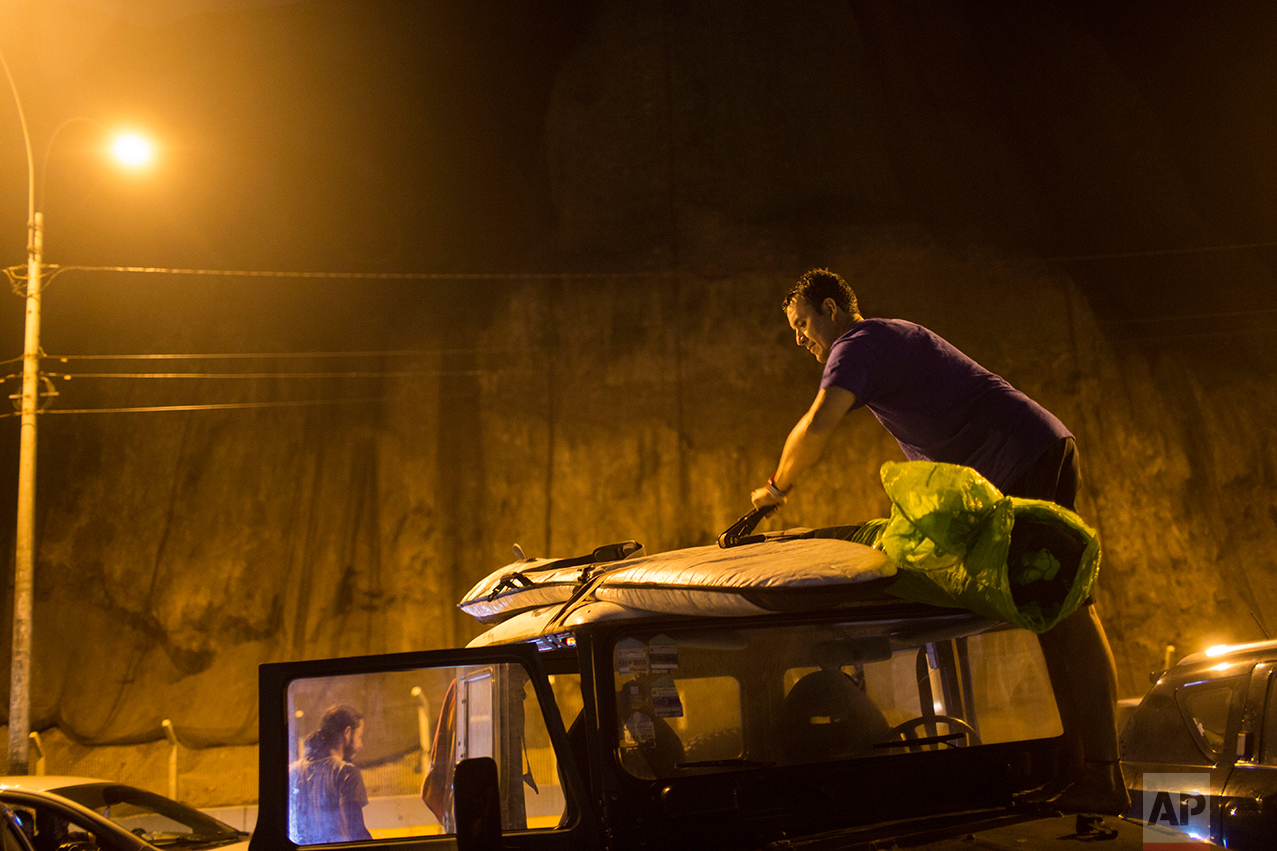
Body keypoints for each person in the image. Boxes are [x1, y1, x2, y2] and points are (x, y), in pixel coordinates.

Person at [751, 267, 1129, 815]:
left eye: (802, 322)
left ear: (831, 308)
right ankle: (1078, 771)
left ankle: (1101, 775)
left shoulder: (857, 342)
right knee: (1048, 621)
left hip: (1019, 456)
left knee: (1067, 616)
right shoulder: (884, 338)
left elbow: (818, 423)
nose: (799, 337)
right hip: (1028, 453)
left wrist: (775, 487)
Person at [290, 704, 374, 844]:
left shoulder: (293, 771)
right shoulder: (346, 772)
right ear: (347, 733)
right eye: (359, 736)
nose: (360, 745)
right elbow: (356, 834)